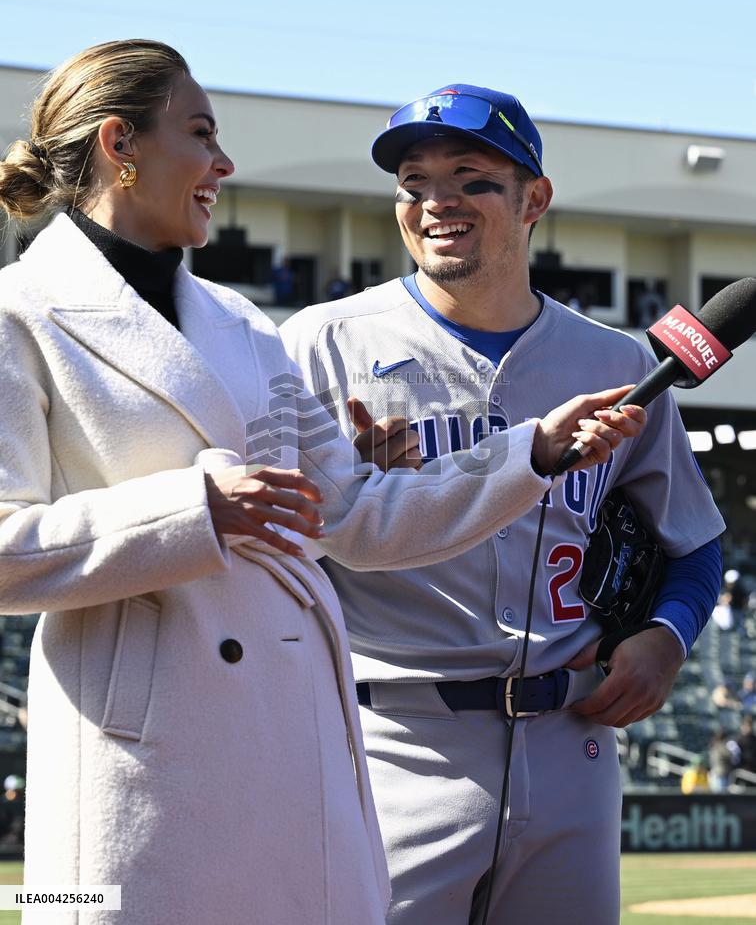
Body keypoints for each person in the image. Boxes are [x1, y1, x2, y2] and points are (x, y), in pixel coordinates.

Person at [0, 49, 644, 925]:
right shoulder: (18, 313)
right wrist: (193, 513)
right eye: (201, 134)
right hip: (140, 759)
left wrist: (534, 452)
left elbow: (359, 515)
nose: (223, 165)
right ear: (122, 144)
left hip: (290, 736)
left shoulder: (239, 323)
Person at [281, 83, 725, 925]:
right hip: (392, 739)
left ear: (534, 200)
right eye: (414, 183)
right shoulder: (320, 343)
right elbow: (263, 537)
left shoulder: (615, 360)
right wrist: (332, 491)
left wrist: (666, 639)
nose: (435, 202)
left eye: (472, 179)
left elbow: (694, 542)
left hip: (572, 742)